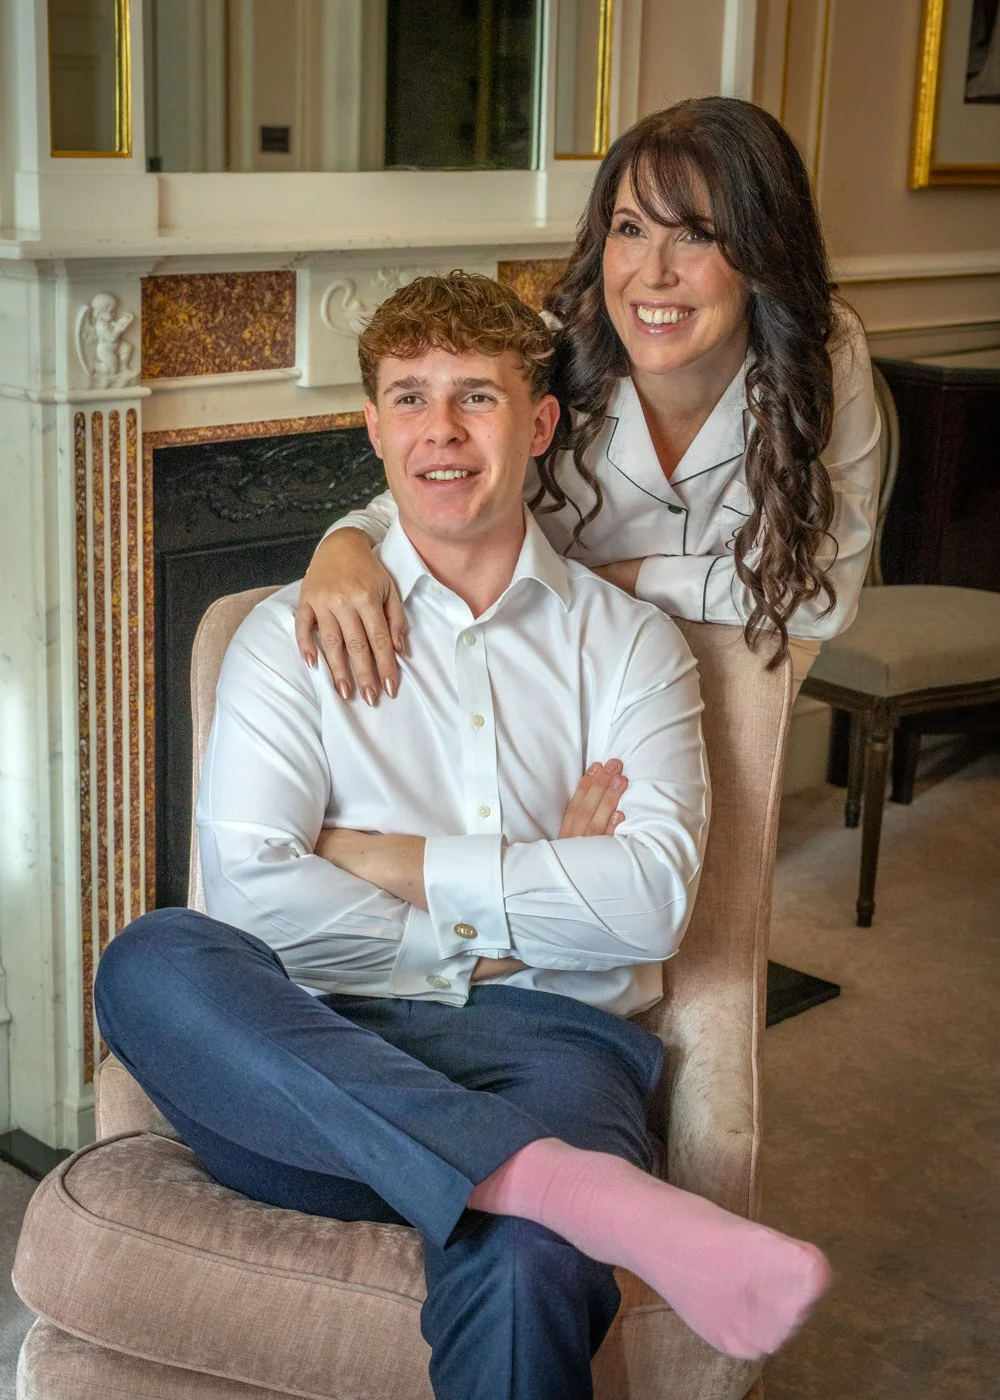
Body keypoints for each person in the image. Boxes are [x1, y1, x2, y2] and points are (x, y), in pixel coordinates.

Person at [95, 273, 829, 1400]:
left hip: (550, 1048)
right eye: (409, 397)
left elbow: (646, 904)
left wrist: (370, 856)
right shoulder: (280, 639)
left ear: (537, 424)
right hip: (308, 1048)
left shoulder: (630, 647)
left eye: (476, 398)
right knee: (153, 960)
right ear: (375, 426)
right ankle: (564, 1184)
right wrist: (499, 932)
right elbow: (249, 900)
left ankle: (534, 1193)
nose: (440, 430)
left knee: (529, 1262)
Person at [293, 97, 881, 702]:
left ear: (765, 251)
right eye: (630, 229)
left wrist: (618, 581)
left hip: (743, 670)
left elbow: (819, 596)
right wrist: (343, 543)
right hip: (545, 668)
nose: (653, 273)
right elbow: (440, 483)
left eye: (697, 235)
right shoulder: (554, 352)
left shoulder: (823, 353)